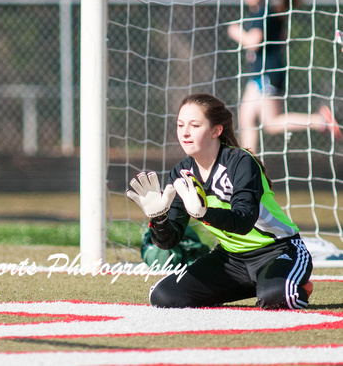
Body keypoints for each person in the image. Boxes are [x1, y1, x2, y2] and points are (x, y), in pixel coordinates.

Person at [126, 93, 313, 309]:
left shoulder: (241, 162)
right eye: (180, 125)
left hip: (278, 250)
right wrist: (158, 218)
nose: (185, 133)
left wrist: (204, 213)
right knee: (163, 297)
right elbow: (169, 241)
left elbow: (243, 221)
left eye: (195, 125)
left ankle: (289, 284)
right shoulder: (181, 173)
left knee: (279, 298)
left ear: (216, 130)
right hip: (231, 258)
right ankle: (260, 285)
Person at [227, 0, 341, 154]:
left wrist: (235, 32)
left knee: (270, 123)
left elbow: (254, 41)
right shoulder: (267, 11)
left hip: (267, 73)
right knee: (246, 117)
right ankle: (248, 164)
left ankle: (319, 120)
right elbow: (282, 38)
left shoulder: (263, 11)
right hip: (263, 73)